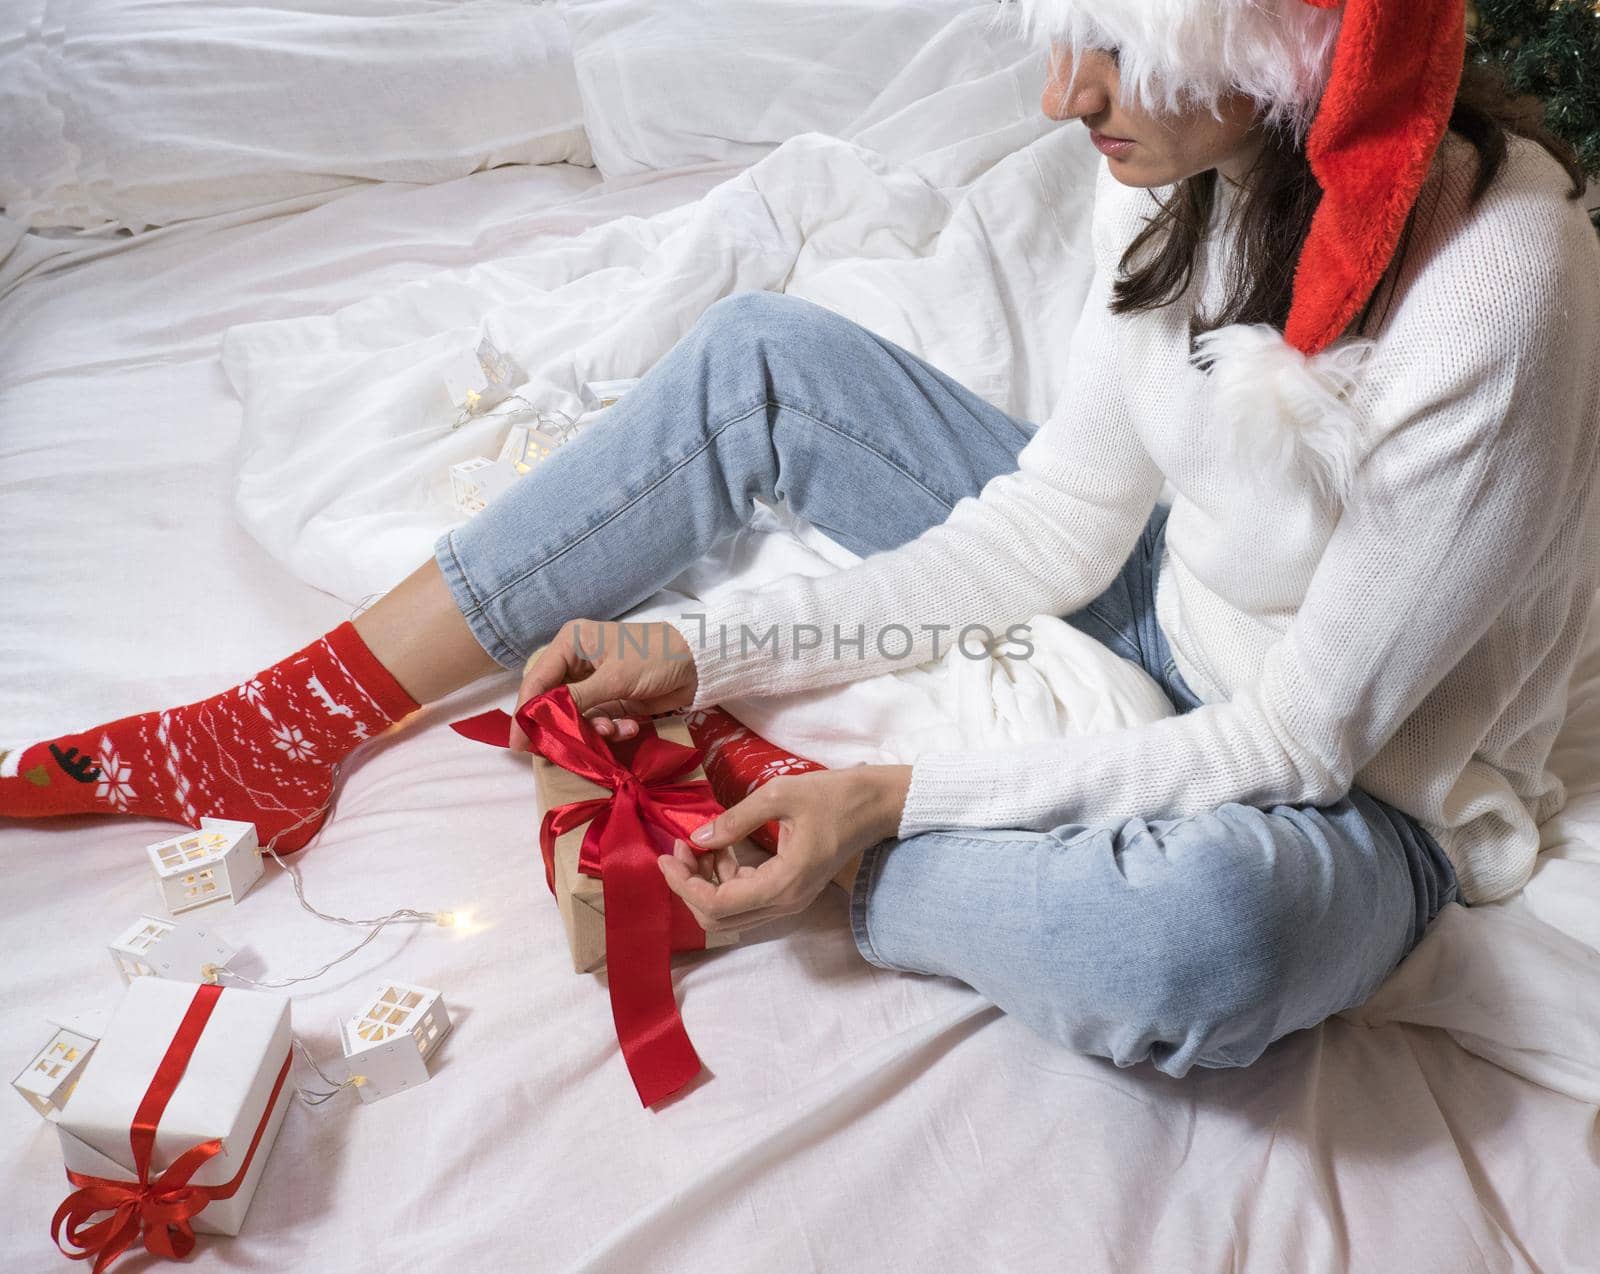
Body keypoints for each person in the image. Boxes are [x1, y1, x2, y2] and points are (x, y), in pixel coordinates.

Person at [5, 0, 1597, 1075]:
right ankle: (297, 718)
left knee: (1208, 937)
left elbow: (1306, 737)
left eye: (1119, 45)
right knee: (764, 352)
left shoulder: (1499, 282)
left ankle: (785, 857)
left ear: (1279, 44)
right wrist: (710, 645)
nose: (1067, 97)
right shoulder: (1189, 155)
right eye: (1068, 33)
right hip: (1164, 604)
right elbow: (1059, 519)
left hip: (1359, 783)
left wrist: (890, 803)